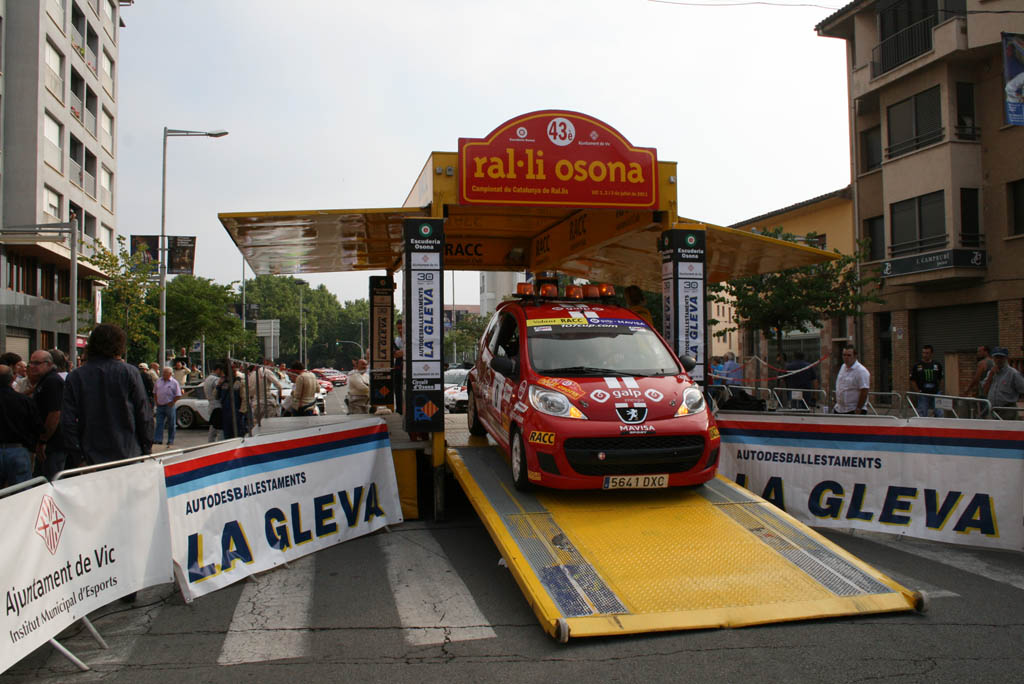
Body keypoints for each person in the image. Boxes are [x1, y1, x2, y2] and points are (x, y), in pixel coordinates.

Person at [61, 323, 154, 465]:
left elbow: (67, 421)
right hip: (128, 453)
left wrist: (78, 456)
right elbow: (144, 415)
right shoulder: (130, 373)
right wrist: (146, 449)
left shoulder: (76, 376)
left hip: (91, 456)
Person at [0, 364, 43, 487]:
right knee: (22, 492)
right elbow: (37, 426)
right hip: (18, 450)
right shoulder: (24, 401)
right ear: (13, 379)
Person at [28, 350, 67, 479]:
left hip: (53, 445)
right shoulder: (44, 380)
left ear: (49, 364)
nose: (32, 366)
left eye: (37, 363)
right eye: (31, 363)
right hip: (47, 444)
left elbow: (55, 413)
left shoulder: (52, 381)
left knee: (50, 481)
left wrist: (43, 440)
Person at [982, 347, 1024, 420]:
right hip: (992, 409)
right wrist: (991, 375)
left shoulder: (1013, 373)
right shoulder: (991, 372)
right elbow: (985, 390)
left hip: (1007, 410)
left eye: (1001, 357)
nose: (998, 360)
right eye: (996, 357)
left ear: (1006, 358)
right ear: (993, 358)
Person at [834, 345, 870, 415]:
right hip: (839, 409)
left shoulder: (861, 371)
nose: (846, 357)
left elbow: (864, 390)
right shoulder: (843, 367)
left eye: (849, 355)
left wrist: (859, 408)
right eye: (844, 355)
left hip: (853, 410)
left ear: (855, 356)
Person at [910, 344, 944, 417]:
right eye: (923, 353)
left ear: (931, 354)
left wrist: (940, 390)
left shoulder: (937, 365)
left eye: (927, 353)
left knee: (940, 413)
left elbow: (941, 378)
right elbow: (912, 380)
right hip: (923, 394)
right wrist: (918, 391)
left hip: (935, 394)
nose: (925, 355)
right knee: (922, 414)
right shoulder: (917, 366)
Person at [153, 366, 183, 447]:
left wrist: (173, 402)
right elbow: (155, 392)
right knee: (159, 423)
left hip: (169, 405)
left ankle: (170, 440)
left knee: (171, 424)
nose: (163, 374)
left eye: (165, 373)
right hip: (160, 405)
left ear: (170, 374)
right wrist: (156, 401)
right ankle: (158, 439)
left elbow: (178, 395)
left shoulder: (174, 382)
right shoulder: (158, 381)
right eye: (163, 372)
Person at [203, 362, 226, 442]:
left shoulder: (208, 378)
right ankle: (220, 444)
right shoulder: (215, 379)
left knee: (213, 427)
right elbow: (218, 391)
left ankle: (210, 442)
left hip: (211, 405)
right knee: (219, 429)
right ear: (218, 370)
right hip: (217, 406)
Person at [392, 321, 404, 414]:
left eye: (401, 328)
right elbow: (395, 354)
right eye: (398, 328)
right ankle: (399, 409)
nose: (400, 330)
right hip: (399, 368)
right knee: (398, 389)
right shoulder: (396, 340)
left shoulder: (413, 339)